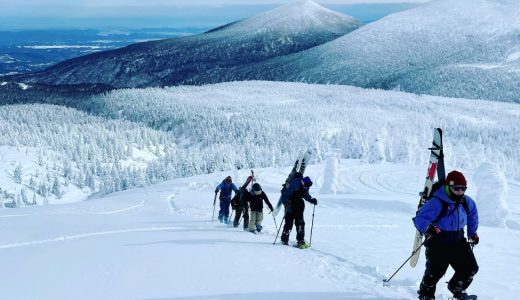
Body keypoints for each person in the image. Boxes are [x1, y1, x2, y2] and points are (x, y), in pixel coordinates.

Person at [413, 170, 479, 300]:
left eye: (463, 188)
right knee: (435, 273)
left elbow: (473, 217)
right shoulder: (437, 202)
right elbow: (419, 219)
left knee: (470, 268)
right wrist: (428, 229)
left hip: (458, 240)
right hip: (438, 242)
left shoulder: (466, 202)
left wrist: (473, 233)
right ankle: (426, 295)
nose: (460, 192)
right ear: (448, 187)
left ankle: (456, 287)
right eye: (456, 188)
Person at [279, 173, 317, 248]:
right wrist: (286, 204)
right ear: (302, 183)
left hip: (299, 205)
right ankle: (284, 240)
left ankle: (300, 240)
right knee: (289, 224)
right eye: (306, 186)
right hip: (290, 206)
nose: (307, 188)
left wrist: (311, 200)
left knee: (300, 223)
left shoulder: (306, 185)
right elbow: (285, 195)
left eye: (308, 187)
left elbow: (306, 195)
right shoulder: (294, 184)